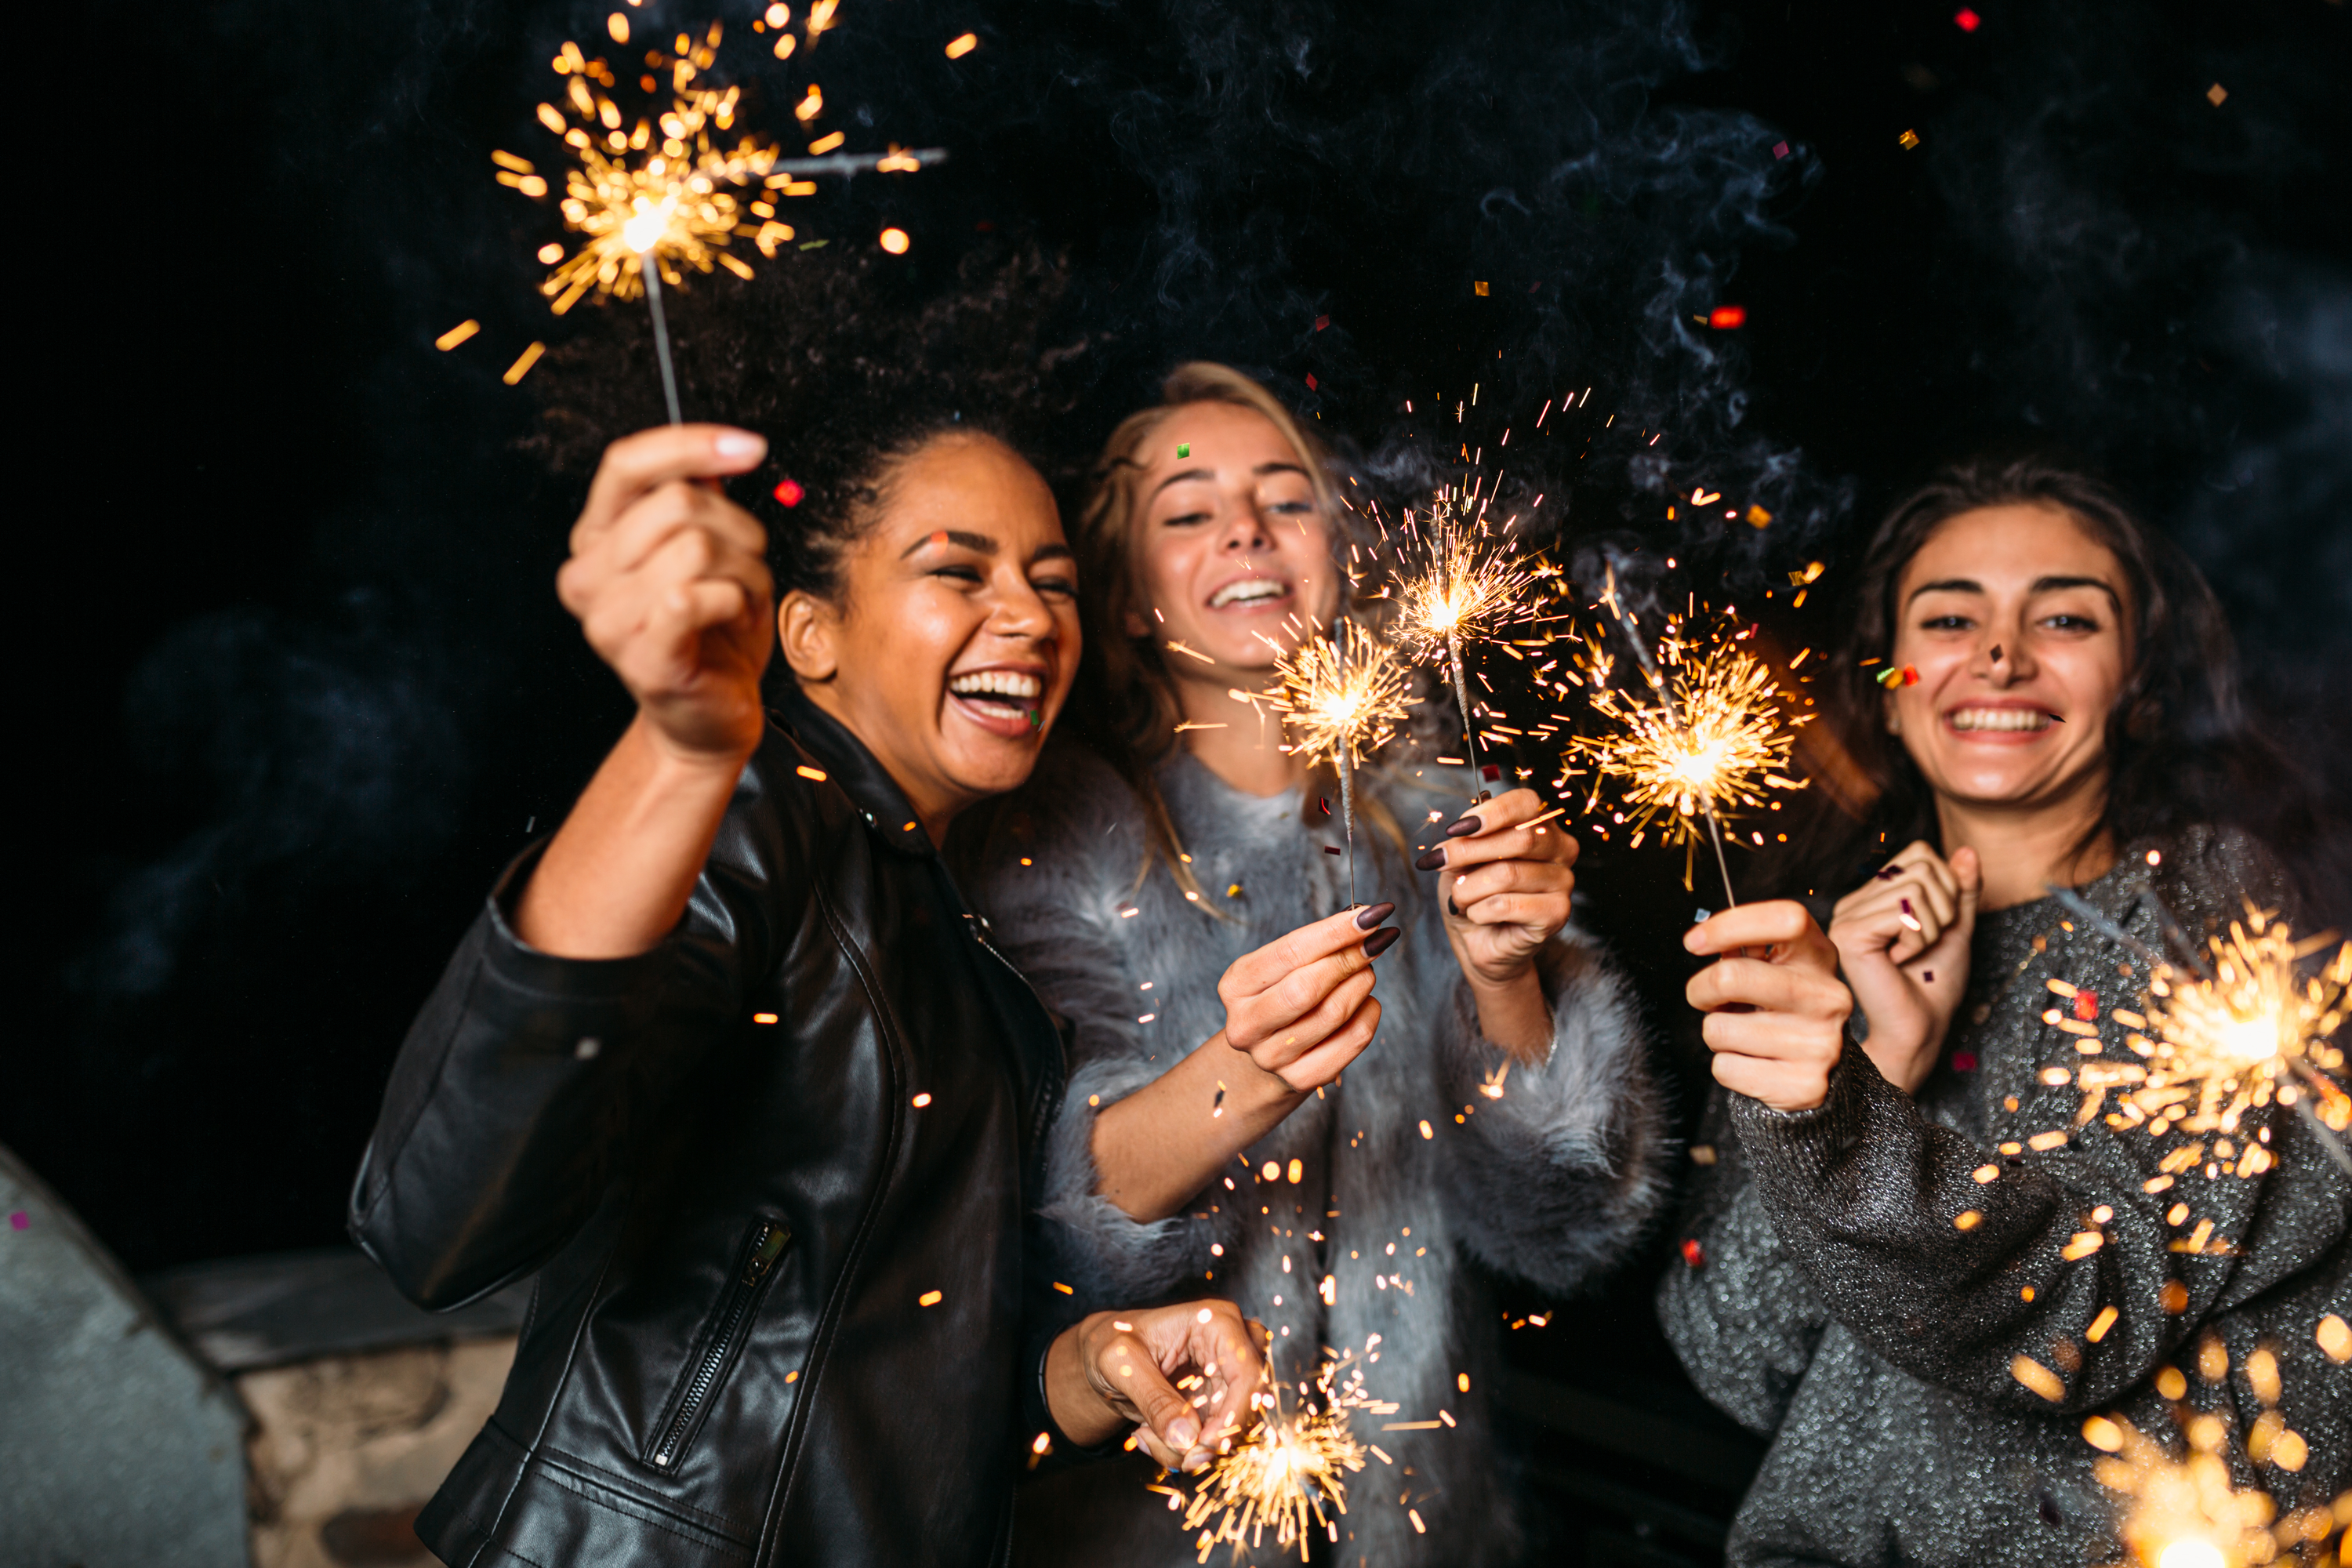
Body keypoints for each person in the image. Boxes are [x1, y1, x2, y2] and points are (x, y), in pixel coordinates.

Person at [348, 260, 1263, 1568]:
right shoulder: (757, 823)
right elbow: (434, 1218)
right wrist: (677, 750)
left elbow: (898, 1395)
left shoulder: (968, 927)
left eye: (1053, 579)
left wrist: (1091, 1368)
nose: (1027, 615)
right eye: (959, 570)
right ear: (811, 636)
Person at [960, 363, 1668, 1567]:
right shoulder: (1050, 848)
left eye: (1285, 499)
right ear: (1128, 598)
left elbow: (1564, 1227)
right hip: (1149, 1532)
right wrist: (1246, 1071)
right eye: (1188, 514)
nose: (1243, 525)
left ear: (1339, 551)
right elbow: (1048, 1237)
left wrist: (1505, 972)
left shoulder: (1450, 822)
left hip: (1431, 1527)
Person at [1660, 454, 2350, 1567]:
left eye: (2065, 616)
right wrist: (1884, 1056)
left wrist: (1841, 1119)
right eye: (1949, 618)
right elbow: (1738, 1360)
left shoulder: (2211, 914)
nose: (1998, 654)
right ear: (1891, 686)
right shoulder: (1821, 951)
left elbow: (2082, 1304)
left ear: (2143, 683)